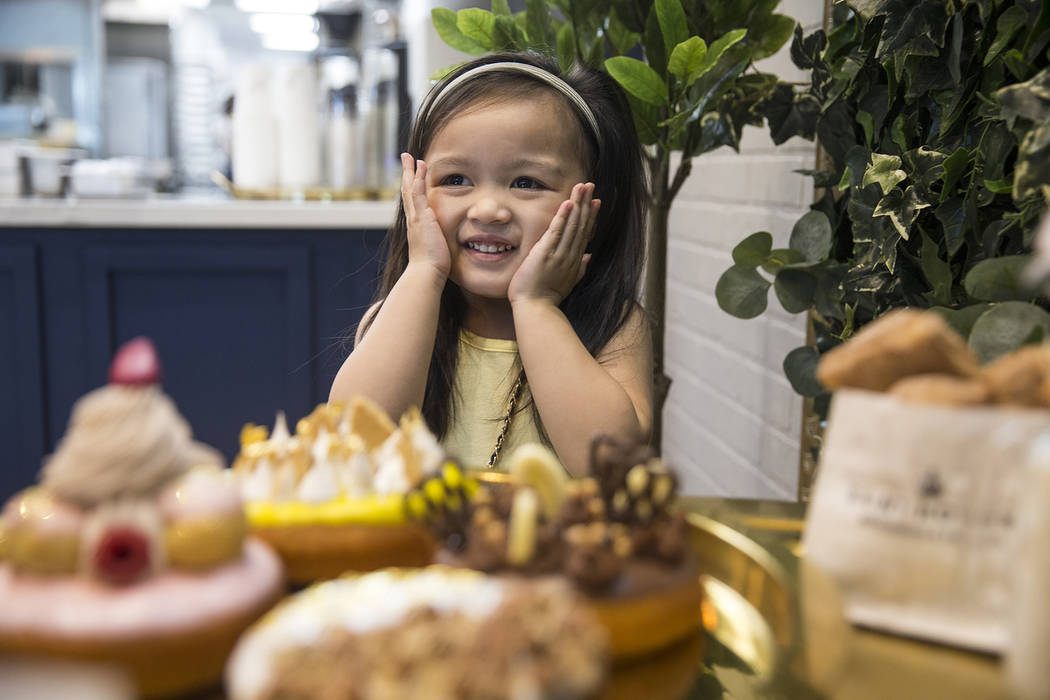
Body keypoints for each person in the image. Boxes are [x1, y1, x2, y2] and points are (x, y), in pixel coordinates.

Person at [329, 51, 650, 477]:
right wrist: (424, 270)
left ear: (592, 207)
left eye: (526, 183)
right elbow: (352, 446)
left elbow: (611, 471)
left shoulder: (614, 325)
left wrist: (536, 305)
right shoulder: (402, 314)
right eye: (456, 180)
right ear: (415, 192)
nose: (488, 210)